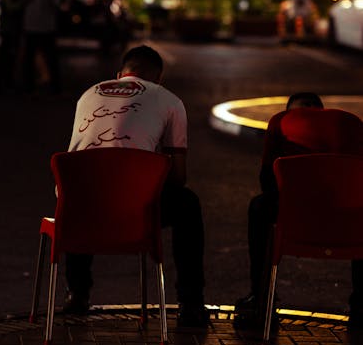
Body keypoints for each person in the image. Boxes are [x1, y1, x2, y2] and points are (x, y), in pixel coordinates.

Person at [63, 44, 209, 327]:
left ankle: (78, 293)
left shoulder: (88, 94)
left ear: (119, 75)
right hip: (134, 208)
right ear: (158, 79)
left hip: (78, 205)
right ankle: (191, 303)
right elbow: (179, 177)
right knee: (188, 204)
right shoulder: (169, 101)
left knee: (88, 184)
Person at [235, 92, 363, 326]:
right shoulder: (351, 123)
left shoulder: (280, 121)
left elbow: (267, 180)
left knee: (259, 207)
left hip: (296, 218)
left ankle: (262, 299)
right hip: (348, 221)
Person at [20, 0, 61, 94]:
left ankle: (28, 85)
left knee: (29, 57)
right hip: (47, 24)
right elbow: (56, 2)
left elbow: (23, 0)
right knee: (50, 56)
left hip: (30, 23)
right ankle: (55, 86)